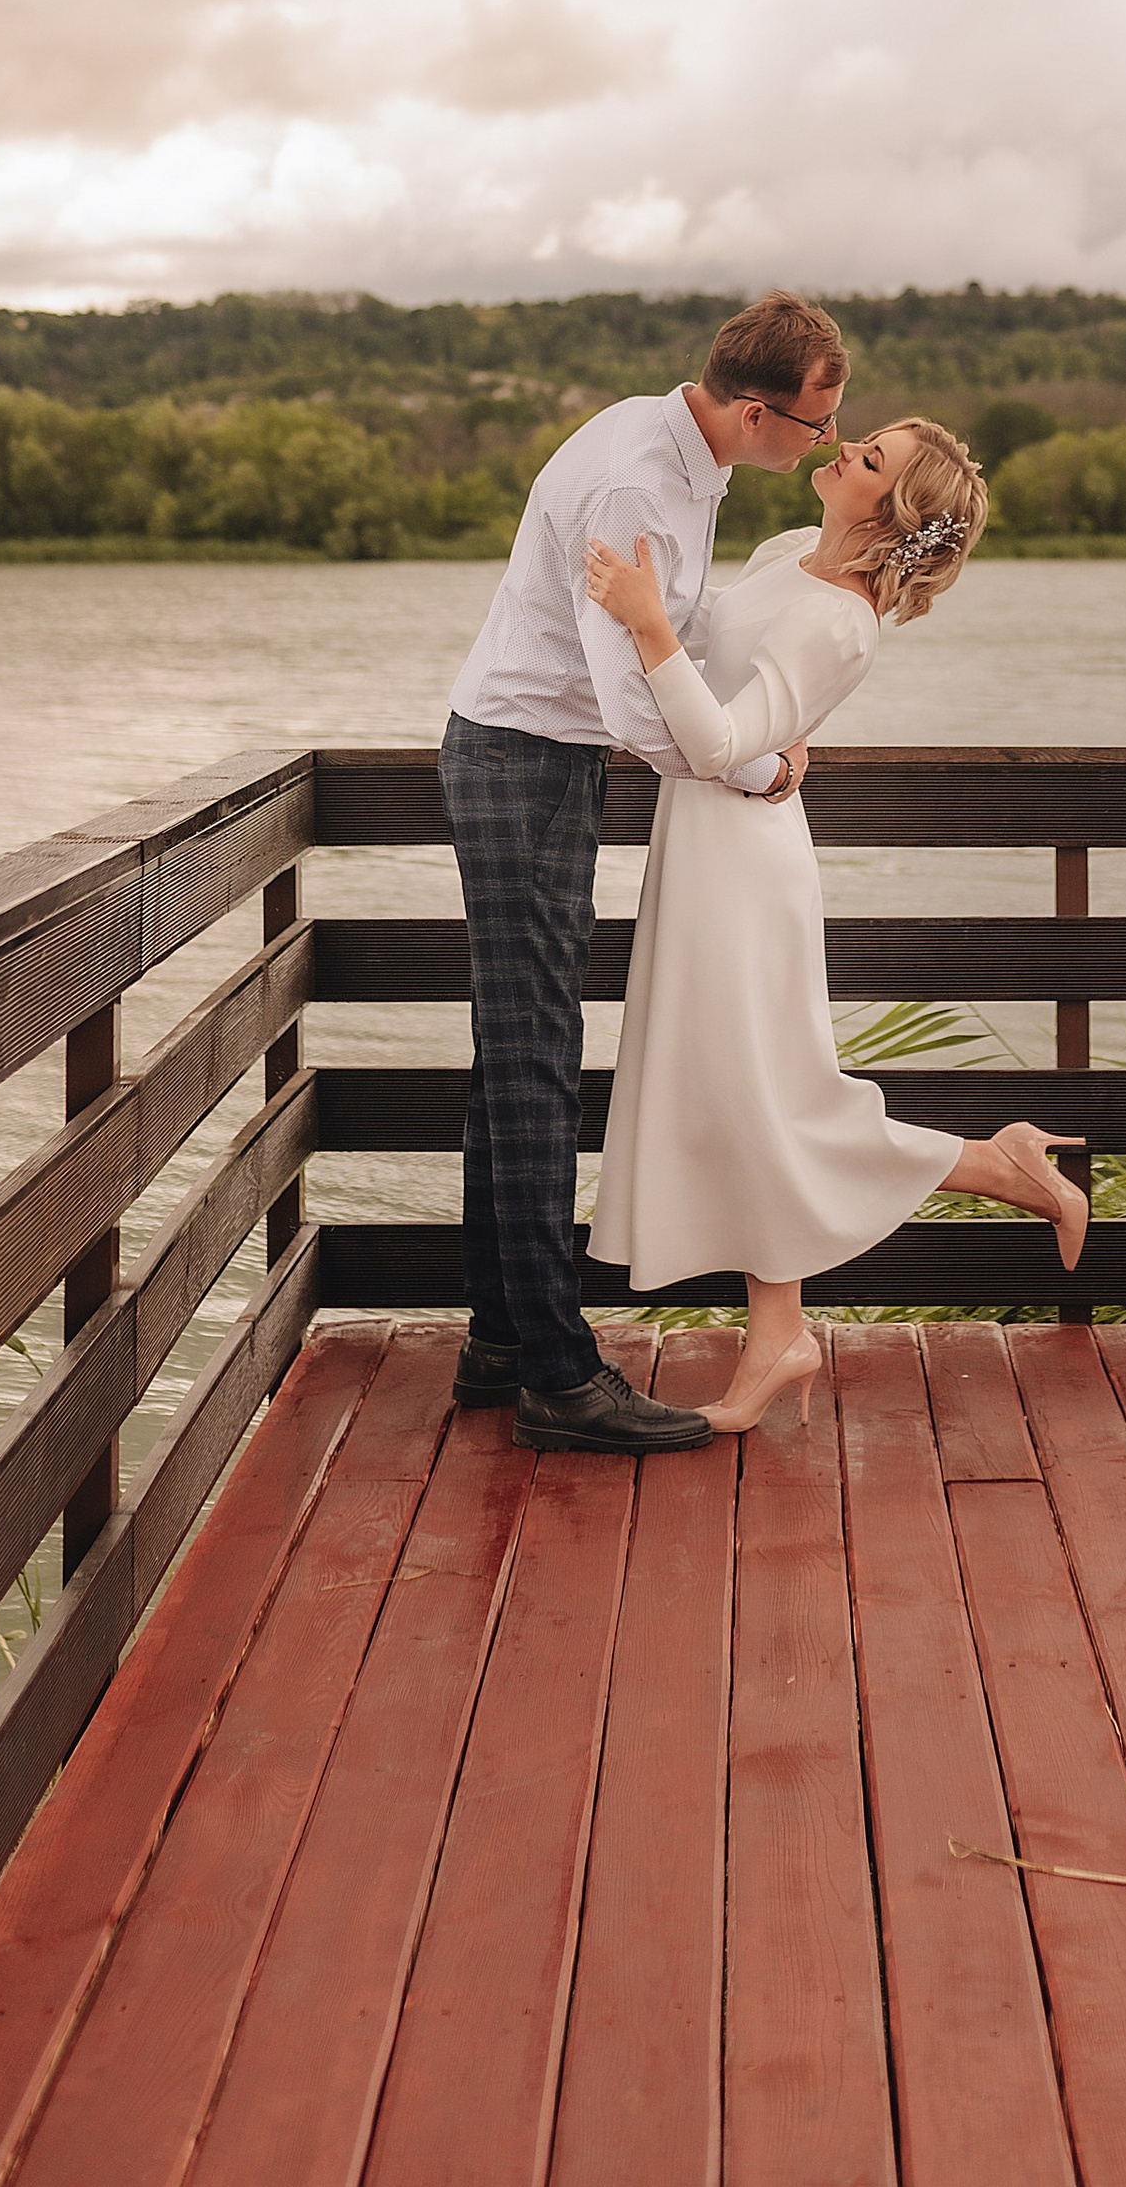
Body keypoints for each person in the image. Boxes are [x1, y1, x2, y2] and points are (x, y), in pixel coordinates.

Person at [581, 415, 1090, 1432]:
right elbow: (728, 691)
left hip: (742, 869)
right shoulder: (781, 555)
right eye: (861, 439)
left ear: (890, 510)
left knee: (774, 1095)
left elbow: (721, 736)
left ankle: (999, 1167)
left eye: (871, 460)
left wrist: (648, 625)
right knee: (744, 1094)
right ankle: (781, 1335)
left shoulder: (844, 623)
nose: (847, 450)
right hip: (702, 845)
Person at [437, 291, 849, 1452]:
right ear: (759, 410)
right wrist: (755, 763)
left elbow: (664, 636)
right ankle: (560, 1380)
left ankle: (503, 1342)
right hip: (525, 762)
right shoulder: (638, 483)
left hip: (537, 759)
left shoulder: (669, 443)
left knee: (517, 1054)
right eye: (818, 425)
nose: (821, 443)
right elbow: (629, 701)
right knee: (533, 1064)